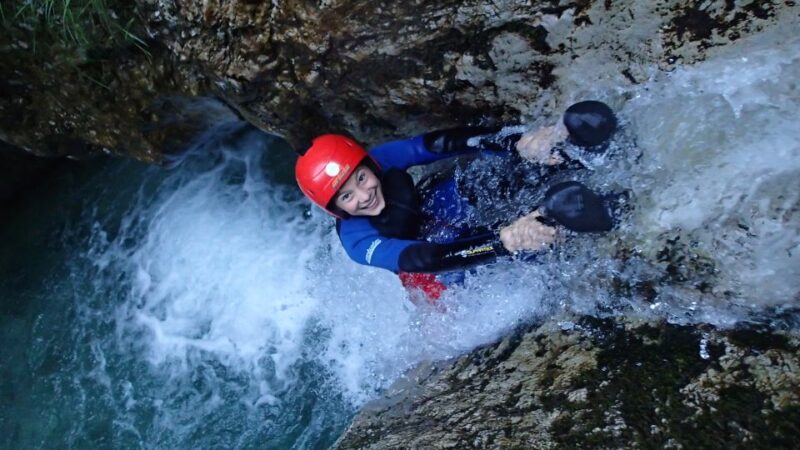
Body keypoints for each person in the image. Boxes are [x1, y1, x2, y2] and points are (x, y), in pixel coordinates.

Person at [295, 101, 618, 303]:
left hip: (435, 209)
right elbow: (424, 258)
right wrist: (505, 241)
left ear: (369, 166)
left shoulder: (380, 160)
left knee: (484, 180)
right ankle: (588, 218)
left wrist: (518, 142)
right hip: (437, 272)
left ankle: (574, 153)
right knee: (521, 251)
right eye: (347, 196)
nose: (365, 195)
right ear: (335, 210)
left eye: (362, 179)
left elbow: (441, 143)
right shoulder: (357, 242)